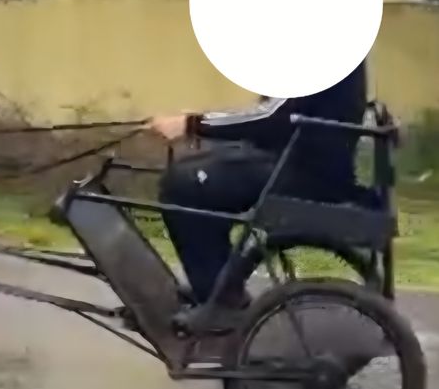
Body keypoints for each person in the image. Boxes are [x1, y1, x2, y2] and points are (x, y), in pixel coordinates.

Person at [147, 59, 369, 331]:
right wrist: (202, 123)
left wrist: (192, 123)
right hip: (302, 163)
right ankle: (216, 287)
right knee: (195, 173)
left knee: (183, 184)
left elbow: (271, 118)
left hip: (304, 173)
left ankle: (223, 304)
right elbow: (276, 114)